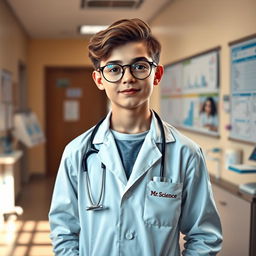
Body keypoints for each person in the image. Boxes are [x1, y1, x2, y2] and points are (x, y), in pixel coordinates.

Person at [48, 18, 222, 255]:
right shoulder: (76, 153)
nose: (127, 77)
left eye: (139, 66)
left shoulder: (186, 153)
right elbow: (64, 232)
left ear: (157, 74)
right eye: (114, 69)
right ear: (99, 79)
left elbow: (204, 235)